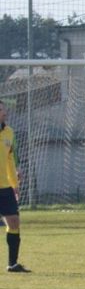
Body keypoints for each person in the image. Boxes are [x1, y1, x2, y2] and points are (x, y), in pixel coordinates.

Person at [0, 100, 29, 272]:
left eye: (3, 109)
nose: (4, 112)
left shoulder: (9, 133)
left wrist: (14, 183)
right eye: (0, 109)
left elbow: (11, 160)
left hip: (5, 187)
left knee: (14, 222)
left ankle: (12, 263)